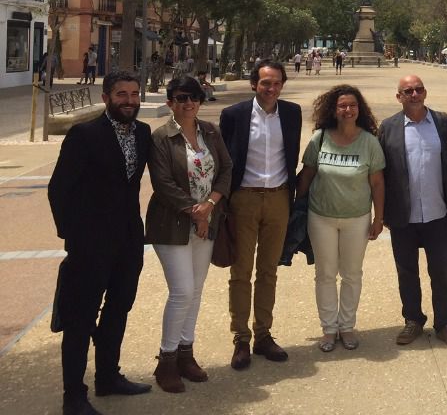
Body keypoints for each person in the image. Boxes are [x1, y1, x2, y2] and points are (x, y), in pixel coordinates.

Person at [49, 70, 153, 415]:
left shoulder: (143, 132)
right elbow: (58, 189)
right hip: (89, 244)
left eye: (134, 94)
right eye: (122, 94)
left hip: (128, 240)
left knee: (119, 308)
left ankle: (108, 377)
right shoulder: (84, 135)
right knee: (80, 319)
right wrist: (73, 237)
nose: (129, 101)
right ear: (106, 97)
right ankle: (74, 396)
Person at [145, 77, 232, 392]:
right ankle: (166, 359)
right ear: (170, 102)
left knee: (195, 291)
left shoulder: (210, 131)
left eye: (194, 97)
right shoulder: (161, 138)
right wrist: (196, 212)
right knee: (181, 291)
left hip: (207, 221)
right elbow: (163, 184)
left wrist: (210, 206)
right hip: (172, 224)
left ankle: (186, 353)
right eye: (181, 97)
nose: (189, 103)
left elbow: (226, 169)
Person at [219, 61, 302, 369]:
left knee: (268, 271)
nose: (271, 88)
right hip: (244, 199)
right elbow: (224, 159)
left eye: (277, 83)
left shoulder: (292, 113)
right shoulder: (234, 115)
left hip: (279, 198)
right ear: (254, 84)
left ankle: (263, 335)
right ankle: (241, 338)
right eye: (266, 82)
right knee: (241, 271)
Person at [378, 76, 447, 348]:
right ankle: (413, 320)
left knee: (441, 271)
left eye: (418, 90)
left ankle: (445, 323)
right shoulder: (388, 128)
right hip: (403, 215)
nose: (414, 94)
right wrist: (382, 213)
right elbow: (381, 173)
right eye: (408, 91)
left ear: (425, 92)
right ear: (399, 96)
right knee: (406, 271)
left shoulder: (442, 123)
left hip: (437, 212)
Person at [296, 85, 385, 352]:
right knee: (325, 274)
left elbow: (377, 183)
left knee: (351, 274)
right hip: (321, 217)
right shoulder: (320, 139)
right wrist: (294, 208)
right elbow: (307, 175)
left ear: (360, 109)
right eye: (342, 106)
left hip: (357, 218)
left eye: (352, 105)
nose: (348, 110)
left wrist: (379, 218)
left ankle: (346, 326)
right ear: (333, 110)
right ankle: (328, 328)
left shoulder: (369, 142)